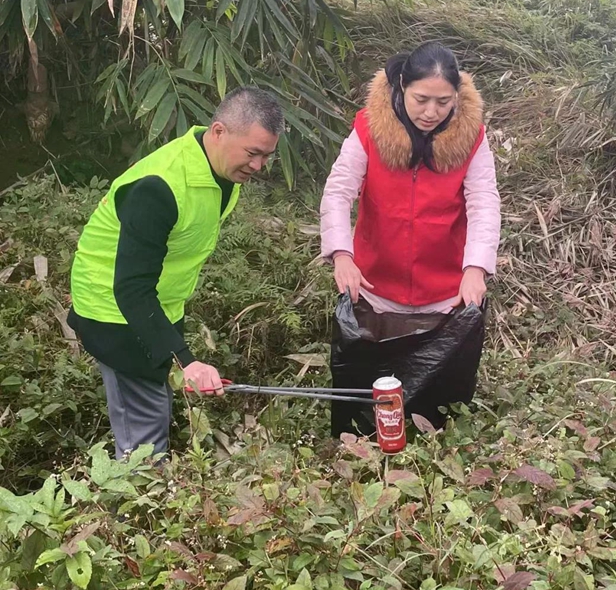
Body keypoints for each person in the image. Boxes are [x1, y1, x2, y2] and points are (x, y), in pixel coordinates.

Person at [68, 87, 284, 459]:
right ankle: (139, 489)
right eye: (252, 153)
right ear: (219, 132)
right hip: (115, 312)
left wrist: (178, 354)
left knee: (154, 406)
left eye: (267, 156)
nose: (258, 166)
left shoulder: (219, 171)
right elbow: (131, 287)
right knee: (144, 440)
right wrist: (187, 359)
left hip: (157, 307)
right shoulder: (159, 187)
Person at [320, 41, 500, 315]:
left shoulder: (471, 136)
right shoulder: (370, 127)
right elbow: (338, 191)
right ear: (403, 84)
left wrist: (476, 268)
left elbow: (484, 203)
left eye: (443, 102)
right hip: (372, 287)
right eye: (421, 99)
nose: (431, 112)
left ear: (456, 95)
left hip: (448, 294)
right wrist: (342, 254)